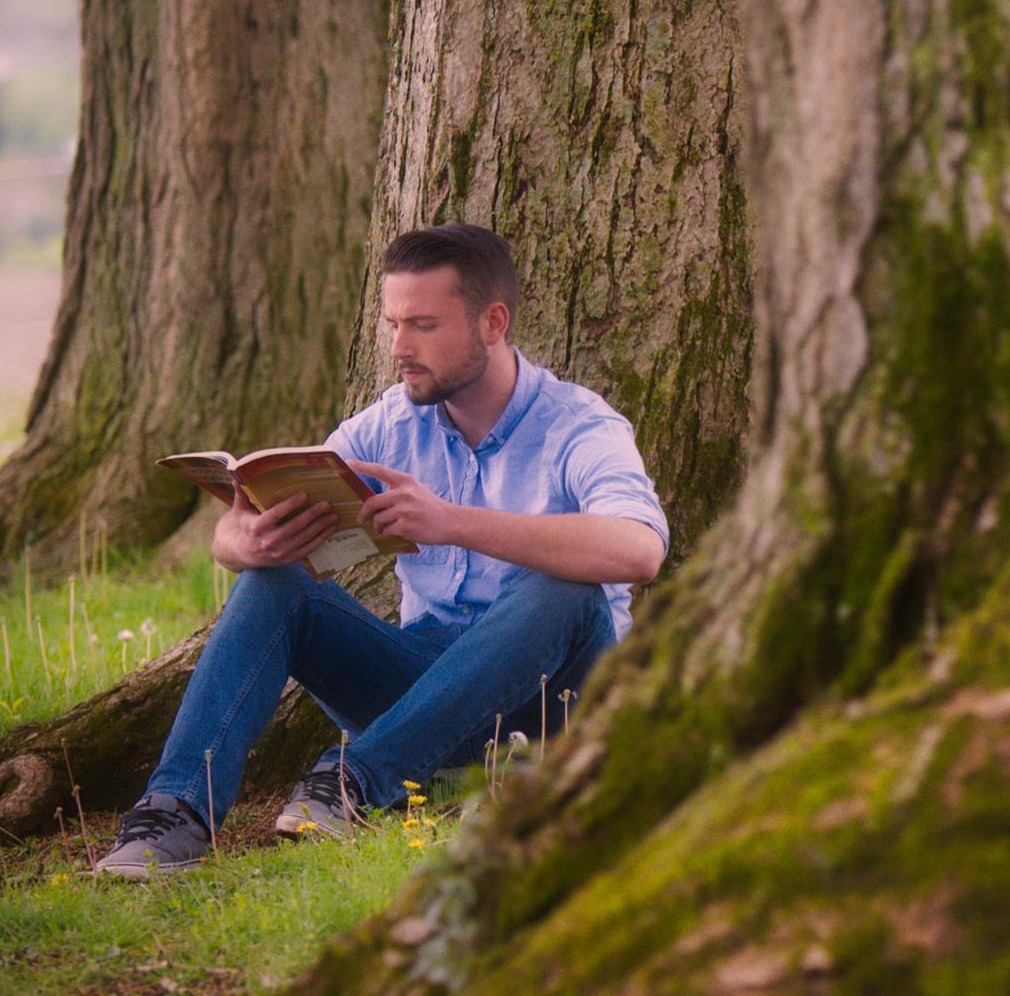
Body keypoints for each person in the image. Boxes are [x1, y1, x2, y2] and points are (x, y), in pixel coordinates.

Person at [94, 223, 668, 879]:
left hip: (552, 702)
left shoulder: (579, 424)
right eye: (393, 324)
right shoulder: (393, 423)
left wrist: (452, 522)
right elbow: (238, 526)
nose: (399, 347)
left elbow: (639, 549)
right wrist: (245, 541)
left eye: (422, 325)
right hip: (423, 685)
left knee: (561, 587)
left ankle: (355, 781)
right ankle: (175, 816)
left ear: (492, 322)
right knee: (272, 584)